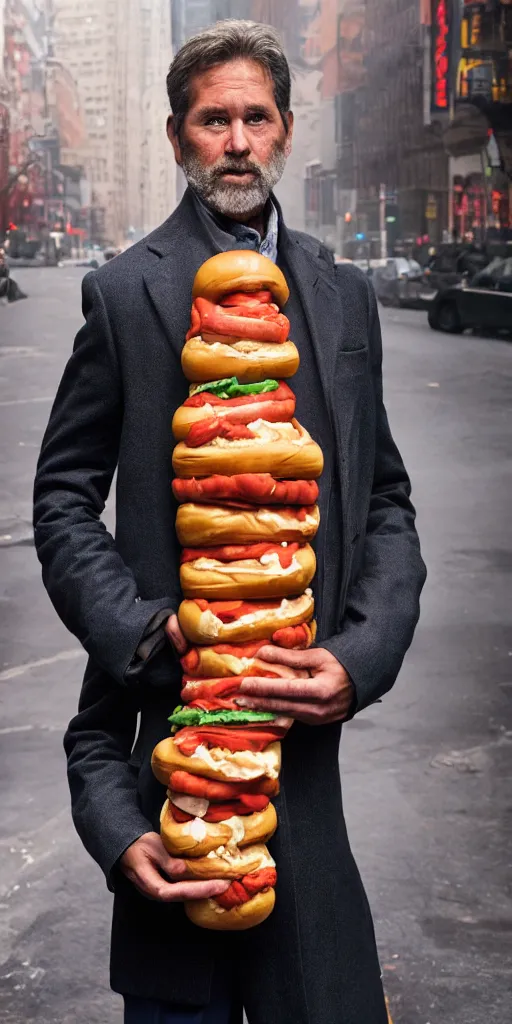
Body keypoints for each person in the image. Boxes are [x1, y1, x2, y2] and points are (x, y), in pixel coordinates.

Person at [33, 20, 426, 1024]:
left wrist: (359, 657)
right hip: (181, 781)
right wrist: (137, 624)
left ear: (285, 129)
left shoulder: (339, 298)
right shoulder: (124, 295)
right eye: (215, 120)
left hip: (306, 794)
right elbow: (63, 496)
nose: (238, 140)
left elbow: (382, 498)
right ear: (178, 139)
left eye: (256, 117)